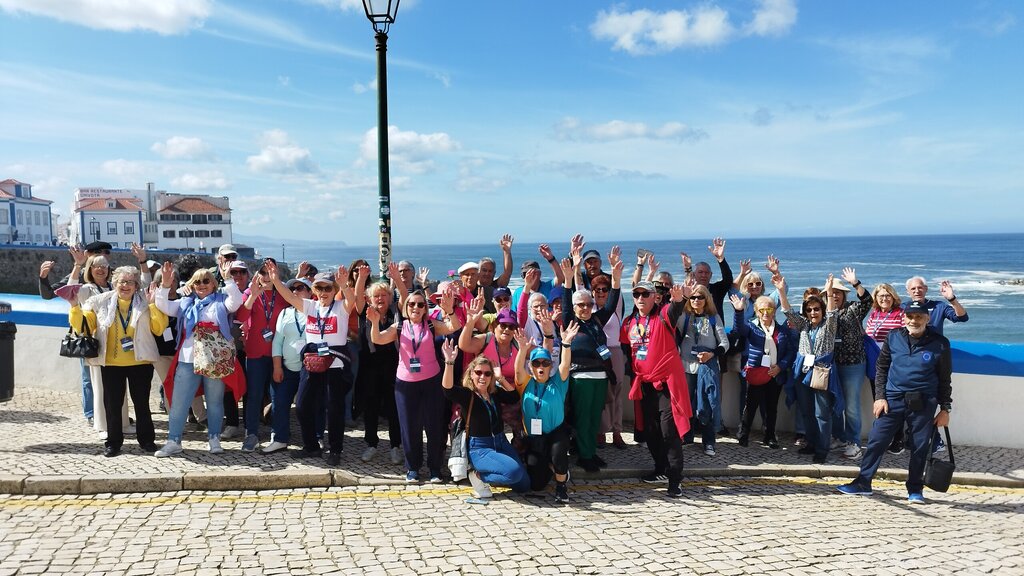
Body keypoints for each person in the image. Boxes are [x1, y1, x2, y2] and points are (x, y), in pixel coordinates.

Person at [838, 301, 952, 504]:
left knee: (919, 447)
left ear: (927, 319)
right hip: (892, 399)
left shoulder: (940, 343)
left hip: (924, 401)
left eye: (919, 317)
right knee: (876, 440)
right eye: (910, 316)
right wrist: (880, 397)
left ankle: (915, 489)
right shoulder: (893, 337)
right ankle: (863, 483)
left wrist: (945, 408)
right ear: (904, 318)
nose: (914, 320)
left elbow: (944, 379)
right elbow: (881, 368)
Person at [268, 263, 362, 467]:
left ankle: (335, 449)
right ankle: (311, 446)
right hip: (311, 364)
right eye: (319, 288)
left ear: (333, 290)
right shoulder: (309, 306)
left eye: (328, 288)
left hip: (335, 366)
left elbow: (352, 300)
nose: (323, 292)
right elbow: (289, 296)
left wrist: (344, 285)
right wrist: (275, 280)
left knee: (334, 409)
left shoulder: (340, 308)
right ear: (314, 290)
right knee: (302, 406)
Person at [369, 279, 461, 483]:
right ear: (406, 307)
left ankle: (435, 468)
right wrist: (374, 323)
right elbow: (377, 339)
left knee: (434, 426)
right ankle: (413, 468)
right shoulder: (399, 327)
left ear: (425, 308)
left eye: (420, 304)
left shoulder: (431, 324)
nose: (416, 308)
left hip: (431, 383)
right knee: (409, 427)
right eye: (412, 304)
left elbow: (454, 326)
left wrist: (450, 310)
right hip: (405, 385)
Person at [70, 266, 168, 457]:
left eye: (130, 282)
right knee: (112, 405)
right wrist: (74, 307)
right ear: (114, 283)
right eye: (122, 281)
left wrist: (153, 305)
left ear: (136, 285)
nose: (125, 285)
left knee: (142, 404)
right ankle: (113, 443)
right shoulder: (100, 301)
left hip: (140, 362)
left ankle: (147, 441)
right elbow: (85, 326)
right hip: (112, 363)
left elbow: (158, 328)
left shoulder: (145, 301)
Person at [154, 261, 244, 457]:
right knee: (179, 401)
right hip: (188, 359)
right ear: (192, 285)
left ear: (213, 284)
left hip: (215, 360)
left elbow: (237, 301)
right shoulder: (185, 303)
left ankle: (214, 438)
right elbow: (162, 305)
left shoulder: (222, 302)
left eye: (206, 281)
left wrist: (228, 279)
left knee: (214, 401)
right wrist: (165, 285)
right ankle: (173, 441)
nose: (202, 284)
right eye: (197, 282)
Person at [622, 280, 693, 498]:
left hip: (665, 385)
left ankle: (675, 479)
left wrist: (681, 299)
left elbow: (675, 309)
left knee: (668, 430)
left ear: (655, 297)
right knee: (650, 431)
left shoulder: (662, 316)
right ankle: (660, 469)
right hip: (644, 385)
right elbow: (627, 350)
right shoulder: (629, 322)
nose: (640, 298)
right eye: (637, 295)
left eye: (645, 294)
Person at [440, 340, 531, 498]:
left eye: (487, 374)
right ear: (471, 374)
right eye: (478, 373)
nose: (483, 377)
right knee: (514, 473)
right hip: (480, 448)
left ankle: (495, 471)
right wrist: (449, 362)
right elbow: (447, 389)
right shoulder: (468, 395)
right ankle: (477, 475)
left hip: (501, 442)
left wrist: (500, 378)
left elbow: (513, 396)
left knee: (524, 485)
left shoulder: (493, 393)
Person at [560, 247, 623, 472]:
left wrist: (616, 280)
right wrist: (569, 279)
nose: (585, 308)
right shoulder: (570, 321)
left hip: (600, 376)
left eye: (588, 304)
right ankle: (584, 455)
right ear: (575, 308)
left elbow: (611, 303)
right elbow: (566, 303)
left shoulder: (597, 319)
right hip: (580, 377)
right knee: (583, 417)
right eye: (581, 305)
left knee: (595, 417)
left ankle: (590, 452)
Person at [780, 274, 843, 464]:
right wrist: (781, 291)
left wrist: (829, 292)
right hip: (803, 371)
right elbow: (788, 312)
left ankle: (822, 449)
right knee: (806, 411)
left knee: (821, 413)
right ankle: (812, 443)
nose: (813, 312)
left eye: (816, 309)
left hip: (821, 372)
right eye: (809, 310)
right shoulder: (804, 326)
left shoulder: (829, 326)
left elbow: (832, 313)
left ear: (822, 310)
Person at [514, 321, 579, 502]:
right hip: (535, 436)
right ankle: (551, 467)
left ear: (551, 366)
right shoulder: (526, 383)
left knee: (558, 453)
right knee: (536, 484)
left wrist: (566, 343)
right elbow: (517, 370)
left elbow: (565, 365)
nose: (541, 366)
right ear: (531, 367)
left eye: (545, 363)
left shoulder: (558, 382)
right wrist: (522, 349)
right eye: (536, 363)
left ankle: (561, 487)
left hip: (556, 432)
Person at [729, 287, 796, 451]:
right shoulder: (752, 327)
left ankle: (770, 436)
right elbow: (739, 329)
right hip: (756, 373)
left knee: (772, 407)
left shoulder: (782, 331)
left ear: (774, 311)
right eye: (762, 310)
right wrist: (738, 311)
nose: (766, 313)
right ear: (757, 312)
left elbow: (790, 352)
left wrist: (780, 367)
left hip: (774, 374)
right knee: (751, 405)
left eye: (769, 309)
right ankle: (743, 434)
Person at [236, 260, 291, 452]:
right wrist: (253, 296)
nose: (266, 277)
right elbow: (241, 317)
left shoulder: (282, 294)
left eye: (270, 272)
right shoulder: (250, 293)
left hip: (279, 353)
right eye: (263, 272)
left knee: (278, 395)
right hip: (255, 353)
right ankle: (251, 433)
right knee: (254, 395)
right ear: (257, 275)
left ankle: (278, 434)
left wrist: (278, 284)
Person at [263, 277, 313, 454]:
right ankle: (279, 438)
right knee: (280, 403)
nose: (295, 291)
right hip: (286, 368)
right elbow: (277, 341)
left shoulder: (315, 311)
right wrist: (277, 367)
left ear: (310, 292)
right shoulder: (284, 313)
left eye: (300, 288)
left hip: (309, 369)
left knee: (311, 405)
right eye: (292, 289)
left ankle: (316, 438)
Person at [678, 283, 728, 456]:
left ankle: (709, 442)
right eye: (693, 297)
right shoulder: (684, 317)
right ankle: (687, 436)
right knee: (686, 403)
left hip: (706, 367)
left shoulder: (714, 318)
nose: (696, 300)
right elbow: (670, 322)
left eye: (700, 297)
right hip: (687, 365)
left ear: (707, 299)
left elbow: (724, 343)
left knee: (707, 403)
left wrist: (711, 354)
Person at [356, 281, 403, 465]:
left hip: (393, 367)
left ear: (390, 298)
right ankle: (371, 444)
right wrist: (361, 277)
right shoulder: (365, 313)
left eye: (384, 295)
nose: (380, 299)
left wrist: (396, 279)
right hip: (370, 368)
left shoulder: (395, 314)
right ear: (370, 299)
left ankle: (395, 446)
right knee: (371, 407)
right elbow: (357, 297)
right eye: (376, 296)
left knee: (394, 408)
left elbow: (405, 297)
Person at [829, 268, 874, 460]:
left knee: (851, 404)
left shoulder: (853, 309)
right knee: (834, 402)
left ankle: (854, 443)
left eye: (838, 293)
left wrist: (855, 283)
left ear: (844, 294)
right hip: (832, 364)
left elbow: (868, 301)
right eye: (831, 293)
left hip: (853, 364)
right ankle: (839, 437)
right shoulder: (826, 312)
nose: (834, 296)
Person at [681, 237, 733, 315]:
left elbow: (728, 279)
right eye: (700, 272)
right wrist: (688, 269)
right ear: (694, 274)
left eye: (706, 272)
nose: (703, 275)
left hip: (716, 322)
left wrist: (721, 259)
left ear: (711, 275)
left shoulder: (717, 290)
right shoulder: (690, 292)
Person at [904, 277, 969, 335]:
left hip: (934, 343)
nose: (917, 291)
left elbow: (963, 318)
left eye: (920, 287)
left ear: (926, 289)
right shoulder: (902, 307)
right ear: (908, 291)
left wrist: (952, 299)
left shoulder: (939, 306)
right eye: (913, 288)